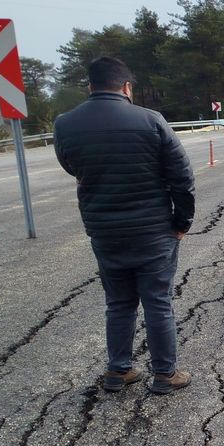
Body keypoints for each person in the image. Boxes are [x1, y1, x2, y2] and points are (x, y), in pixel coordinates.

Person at [54, 57, 195, 394]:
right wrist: (181, 222)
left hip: (105, 232)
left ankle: (118, 372)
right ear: (127, 87)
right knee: (157, 302)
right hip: (154, 232)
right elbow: (182, 178)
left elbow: (71, 167)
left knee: (118, 303)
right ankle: (164, 375)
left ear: (90, 86)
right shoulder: (151, 120)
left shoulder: (66, 123)